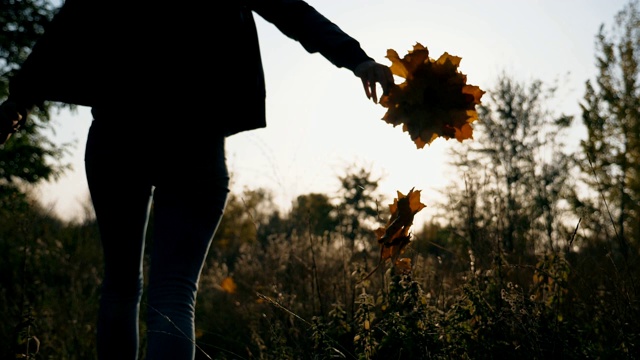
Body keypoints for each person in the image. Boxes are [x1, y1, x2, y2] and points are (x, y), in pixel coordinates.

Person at [0, 1, 394, 359]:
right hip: (195, 137)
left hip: (119, 133)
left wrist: (19, 103)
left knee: (121, 286)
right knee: (173, 292)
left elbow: (68, 25)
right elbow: (290, 10)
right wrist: (355, 59)